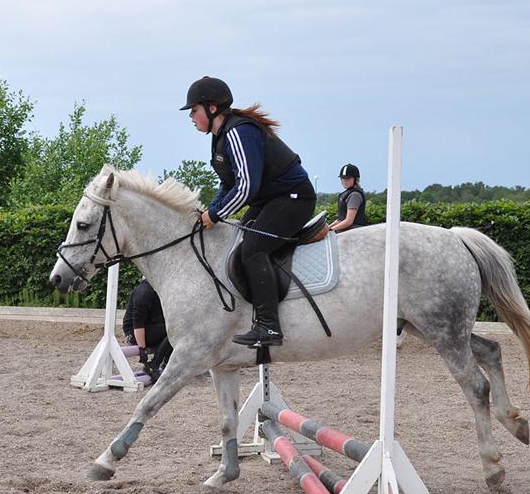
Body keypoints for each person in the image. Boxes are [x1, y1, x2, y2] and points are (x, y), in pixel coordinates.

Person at [181, 76, 316, 348]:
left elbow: (246, 187)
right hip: (272, 199)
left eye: (194, 110)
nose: (192, 117)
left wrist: (216, 215)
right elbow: (228, 185)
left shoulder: (237, 132)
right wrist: (211, 210)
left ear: (212, 108)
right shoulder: (220, 137)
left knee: (253, 249)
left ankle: (269, 327)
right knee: (240, 241)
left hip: (293, 198)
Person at [122, 278, 171, 382]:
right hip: (134, 332)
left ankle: (167, 365)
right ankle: (154, 365)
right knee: (173, 332)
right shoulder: (144, 292)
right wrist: (142, 348)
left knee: (176, 329)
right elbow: (138, 322)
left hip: (148, 326)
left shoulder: (157, 289)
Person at [328, 163, 369, 233]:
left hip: (353, 232)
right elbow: (340, 220)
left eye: (348, 178)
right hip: (346, 230)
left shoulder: (354, 195)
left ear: (355, 179)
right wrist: (327, 228)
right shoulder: (346, 194)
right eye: (342, 178)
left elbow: (349, 221)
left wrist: (331, 230)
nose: (344, 180)